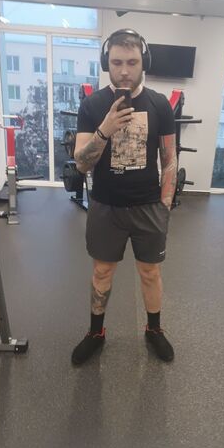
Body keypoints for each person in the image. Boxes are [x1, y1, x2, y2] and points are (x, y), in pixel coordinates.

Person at [71, 29, 177, 365]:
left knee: (150, 273)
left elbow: (169, 160)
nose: (124, 71)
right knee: (102, 271)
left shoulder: (159, 104)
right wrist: (105, 129)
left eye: (132, 62)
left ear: (143, 63)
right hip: (106, 206)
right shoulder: (92, 105)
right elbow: (81, 163)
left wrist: (164, 208)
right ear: (107, 63)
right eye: (117, 63)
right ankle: (96, 333)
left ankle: (154, 330)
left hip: (148, 206)